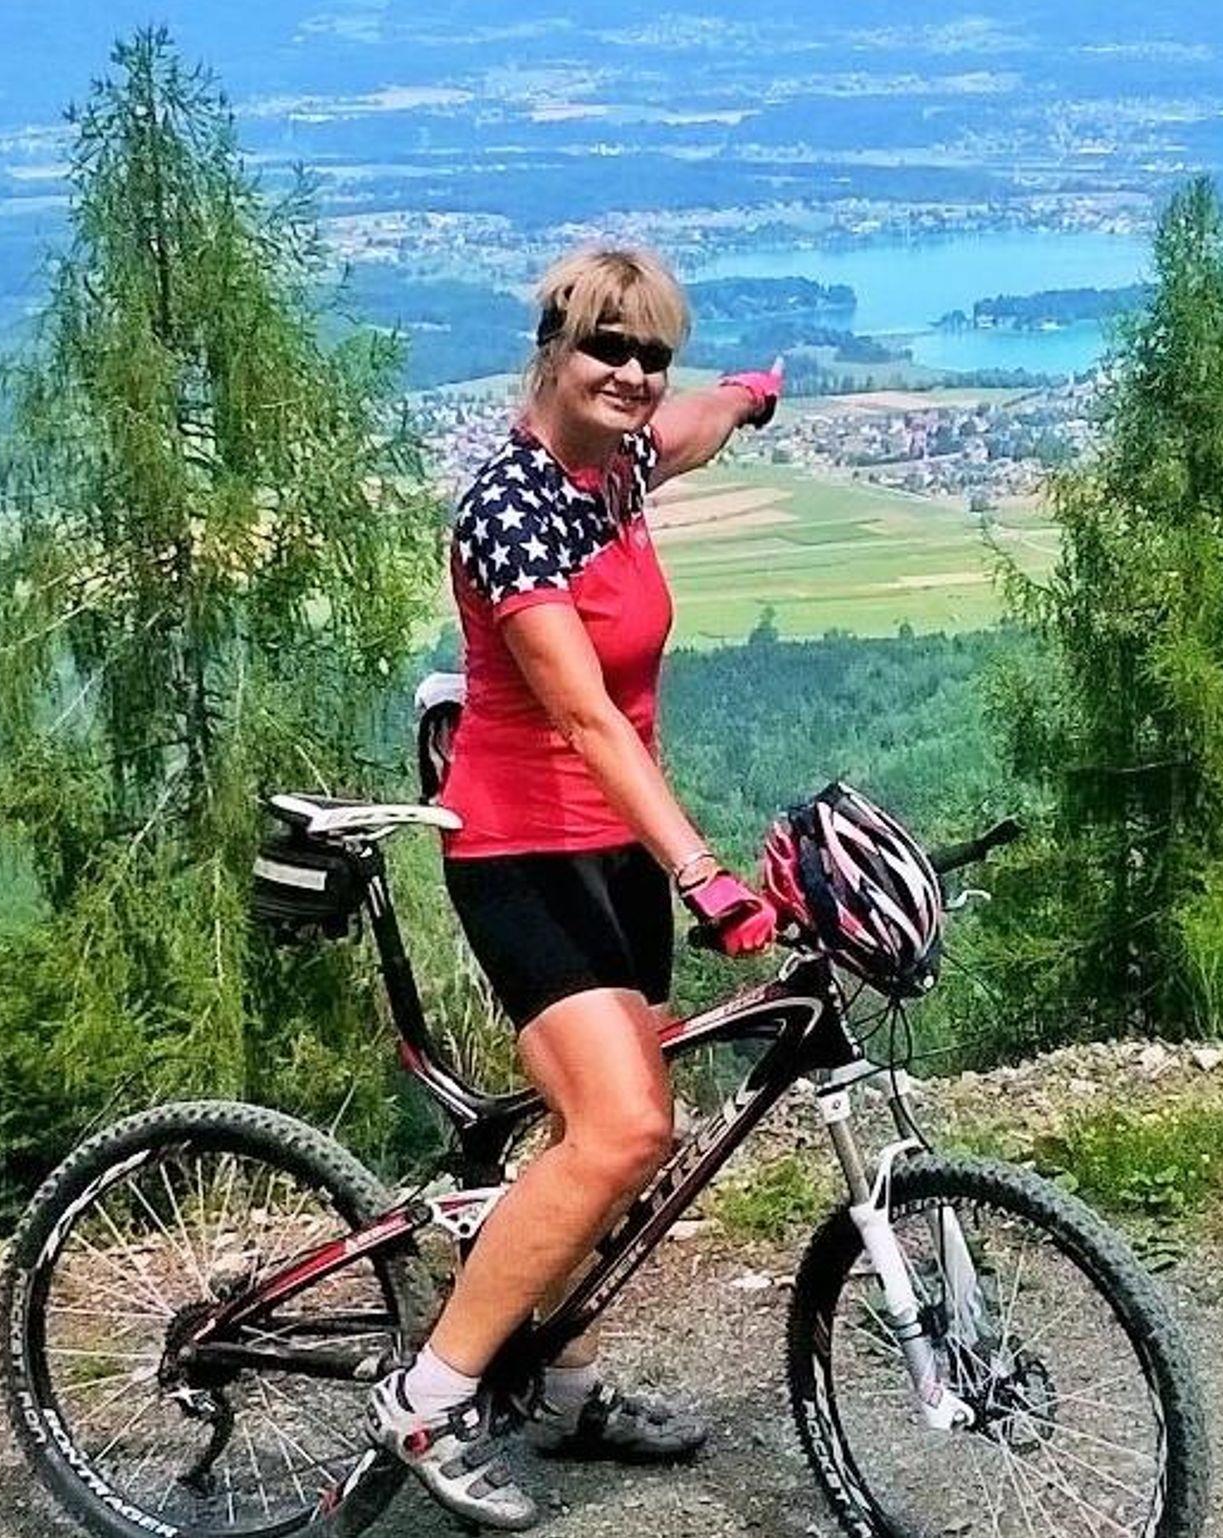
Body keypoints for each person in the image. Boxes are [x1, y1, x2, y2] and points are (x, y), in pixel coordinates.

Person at [366, 246, 786, 1529]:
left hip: (614, 852)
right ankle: (428, 1394)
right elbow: (586, 716)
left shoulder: (618, 467)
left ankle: (562, 1389)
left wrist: (745, 396)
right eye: (609, 345)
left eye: (653, 352)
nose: (635, 372)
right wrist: (702, 871)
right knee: (619, 1127)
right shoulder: (512, 507)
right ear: (551, 347)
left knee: (612, 1139)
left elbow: (686, 432)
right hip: (520, 848)